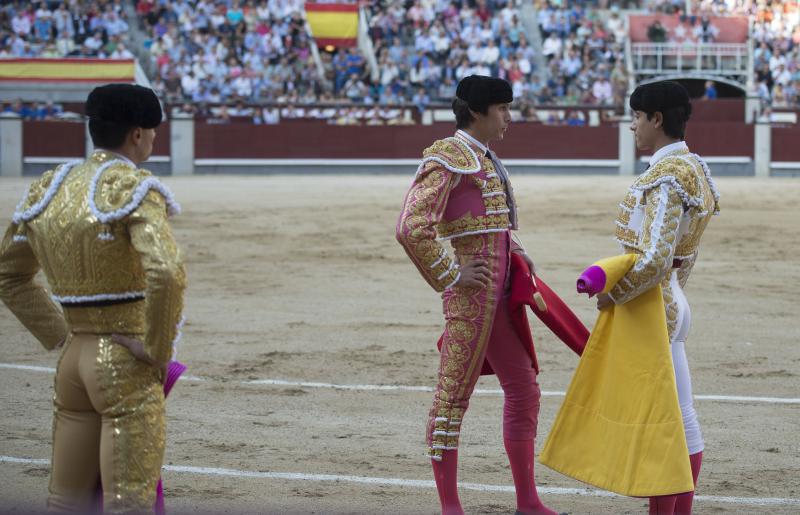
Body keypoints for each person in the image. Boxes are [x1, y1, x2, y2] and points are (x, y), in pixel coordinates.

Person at [396, 75, 585, 515]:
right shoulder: (448, 158)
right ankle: (450, 507)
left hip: (499, 296)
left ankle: (528, 501)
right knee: (451, 398)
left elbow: (486, 223)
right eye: (502, 109)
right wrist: (450, 273)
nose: (509, 117)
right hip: (471, 298)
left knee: (524, 390)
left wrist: (516, 249)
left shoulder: (483, 157)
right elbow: (410, 227)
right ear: (478, 112)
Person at [0, 84, 186, 512]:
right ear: (137, 134)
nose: (154, 139)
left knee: (65, 500)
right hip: (124, 362)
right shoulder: (133, 188)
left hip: (73, 362)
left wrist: (62, 335)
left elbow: (9, 275)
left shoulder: (49, 186)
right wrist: (157, 351)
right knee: (128, 502)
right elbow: (167, 270)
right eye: (152, 131)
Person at [546, 81, 719, 513]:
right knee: (680, 419)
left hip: (652, 308)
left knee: (660, 423)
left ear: (656, 119)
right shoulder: (694, 167)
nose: (633, 127)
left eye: (637, 118)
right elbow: (685, 253)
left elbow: (656, 257)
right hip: (672, 300)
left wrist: (616, 295)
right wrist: (674, 295)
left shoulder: (665, 177)